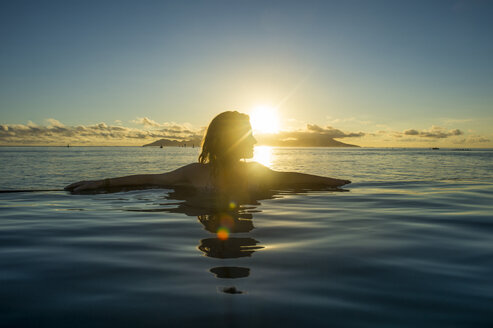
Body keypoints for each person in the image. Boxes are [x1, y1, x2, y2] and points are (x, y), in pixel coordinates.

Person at [65, 111, 351, 193]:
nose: (255, 141)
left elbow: (291, 178)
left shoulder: (258, 172)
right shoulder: (194, 173)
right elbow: (150, 178)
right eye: (249, 136)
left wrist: (330, 182)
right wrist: (100, 183)